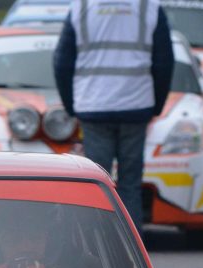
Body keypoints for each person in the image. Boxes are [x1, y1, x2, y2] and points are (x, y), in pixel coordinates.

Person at [53, 0, 174, 233]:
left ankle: (98, 247)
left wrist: (72, 106)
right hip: (136, 107)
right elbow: (164, 62)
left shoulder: (81, 6)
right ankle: (132, 252)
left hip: (93, 107)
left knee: (96, 185)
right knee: (130, 185)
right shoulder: (148, 7)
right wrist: (155, 106)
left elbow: (62, 62)